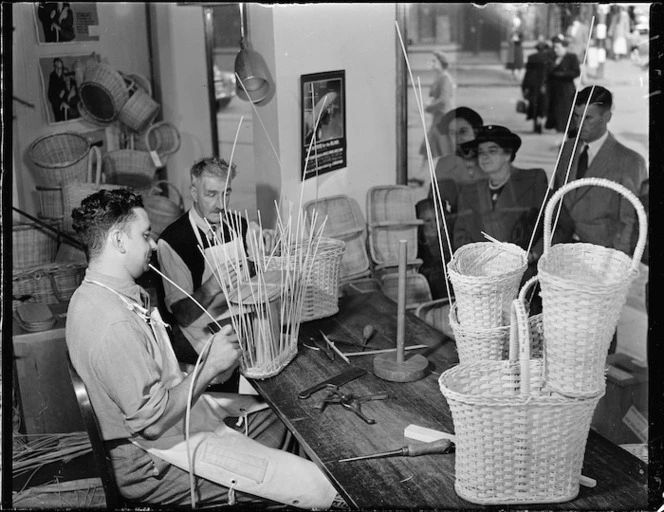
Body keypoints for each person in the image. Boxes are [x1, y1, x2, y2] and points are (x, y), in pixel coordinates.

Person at [66, 188, 338, 508]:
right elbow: (151, 423)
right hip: (150, 463)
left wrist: (207, 363)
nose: (153, 244)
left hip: (158, 434)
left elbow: (146, 377)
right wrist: (208, 369)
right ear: (119, 240)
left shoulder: (97, 294)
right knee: (313, 483)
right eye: (145, 235)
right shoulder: (113, 323)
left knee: (282, 418)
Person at [156, 157, 274, 393]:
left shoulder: (238, 225)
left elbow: (255, 276)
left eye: (226, 193)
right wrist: (211, 287)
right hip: (199, 328)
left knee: (272, 353)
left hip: (239, 319)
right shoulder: (173, 241)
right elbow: (183, 316)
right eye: (211, 194)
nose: (221, 204)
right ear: (194, 192)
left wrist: (267, 252)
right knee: (231, 368)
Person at [453, 125, 571, 283]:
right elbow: (460, 234)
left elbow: (563, 224)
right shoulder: (469, 192)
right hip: (482, 279)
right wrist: (476, 261)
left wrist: (534, 253)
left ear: (508, 155)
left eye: (492, 151)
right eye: (481, 152)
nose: (484, 157)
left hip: (525, 278)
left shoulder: (532, 182)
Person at [551, 85, 647, 257]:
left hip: (603, 256)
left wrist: (620, 261)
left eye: (588, 118)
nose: (579, 125)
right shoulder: (566, 149)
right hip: (562, 251)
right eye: (577, 116)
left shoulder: (630, 161)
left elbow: (630, 220)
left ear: (607, 117)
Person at [425, 107, 486, 262]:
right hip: (452, 239)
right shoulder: (444, 164)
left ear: (476, 133)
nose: (457, 138)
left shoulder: (489, 162)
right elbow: (433, 206)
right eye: (452, 133)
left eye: (463, 131)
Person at [416, 50, 455, 183]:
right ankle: (422, 176)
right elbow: (435, 95)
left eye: (434, 61)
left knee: (440, 146)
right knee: (434, 146)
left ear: (441, 63)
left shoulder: (445, 78)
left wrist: (428, 107)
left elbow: (444, 99)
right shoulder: (439, 76)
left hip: (444, 118)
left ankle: (425, 176)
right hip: (439, 117)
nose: (431, 63)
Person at [545, 36, 580, 133]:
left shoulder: (572, 57)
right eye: (554, 48)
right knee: (556, 107)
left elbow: (576, 72)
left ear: (564, 47)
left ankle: (567, 128)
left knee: (566, 107)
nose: (555, 50)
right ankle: (557, 127)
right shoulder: (552, 58)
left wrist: (562, 74)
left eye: (558, 47)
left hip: (566, 87)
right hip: (555, 87)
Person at [521, 40, 554, 134]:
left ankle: (536, 125)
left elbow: (528, 73)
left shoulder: (531, 57)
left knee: (534, 105)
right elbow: (551, 72)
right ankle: (540, 124)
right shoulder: (548, 58)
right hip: (544, 85)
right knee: (543, 106)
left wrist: (524, 87)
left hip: (533, 85)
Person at [47, 58, 70, 122]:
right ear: (54, 68)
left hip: (67, 104)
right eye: (57, 67)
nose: (59, 70)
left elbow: (67, 88)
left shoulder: (64, 73)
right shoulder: (52, 76)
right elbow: (50, 96)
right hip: (57, 106)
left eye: (61, 67)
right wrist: (59, 98)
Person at [505, 17, 524, 81]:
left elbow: (522, 39)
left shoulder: (520, 31)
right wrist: (512, 40)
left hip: (518, 48)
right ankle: (512, 75)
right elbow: (508, 39)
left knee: (519, 62)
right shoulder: (510, 30)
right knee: (512, 63)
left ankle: (518, 75)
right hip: (512, 48)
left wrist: (518, 39)